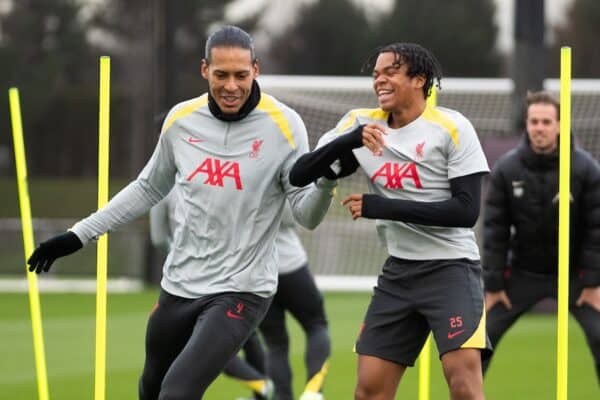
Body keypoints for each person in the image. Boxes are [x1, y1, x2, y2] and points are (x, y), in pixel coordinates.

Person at [26, 25, 337, 400]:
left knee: (177, 392)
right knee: (151, 388)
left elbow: (305, 215)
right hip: (179, 284)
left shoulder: (286, 126)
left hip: (242, 288)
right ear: (204, 70)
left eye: (241, 75)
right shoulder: (180, 120)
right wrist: (78, 235)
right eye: (221, 75)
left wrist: (326, 183)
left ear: (256, 69)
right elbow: (147, 188)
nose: (231, 86)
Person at [289, 42, 492, 400]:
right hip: (399, 272)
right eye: (376, 74)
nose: (379, 80)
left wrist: (381, 207)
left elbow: (465, 212)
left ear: (420, 79)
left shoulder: (452, 128)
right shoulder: (359, 123)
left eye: (390, 72)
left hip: (452, 270)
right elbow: (299, 174)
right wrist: (348, 141)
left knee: (463, 386)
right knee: (368, 390)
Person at [150, 195, 331, 400]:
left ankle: (273, 392)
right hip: (288, 266)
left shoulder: (216, 183)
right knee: (316, 324)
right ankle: (313, 391)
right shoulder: (274, 169)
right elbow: (295, 217)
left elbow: (158, 238)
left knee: (275, 341)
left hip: (252, 273)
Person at [482, 91, 600, 381]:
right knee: (477, 343)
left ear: (560, 125)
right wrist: (494, 284)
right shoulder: (507, 169)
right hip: (523, 273)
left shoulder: (584, 168)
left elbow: (597, 230)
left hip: (575, 277)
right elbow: (495, 229)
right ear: (527, 124)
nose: (539, 128)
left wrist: (593, 283)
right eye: (534, 121)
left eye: (547, 122)